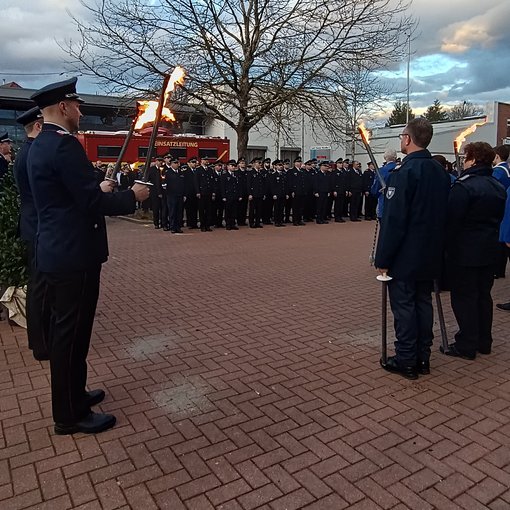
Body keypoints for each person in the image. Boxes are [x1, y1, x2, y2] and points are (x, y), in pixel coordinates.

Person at [27, 77, 150, 435]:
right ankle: (69, 415)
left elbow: (68, 196)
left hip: (60, 249)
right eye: (78, 106)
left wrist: (95, 187)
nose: (80, 113)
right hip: (73, 254)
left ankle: (75, 395)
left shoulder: (42, 143)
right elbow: (92, 203)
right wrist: (132, 196)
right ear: (63, 107)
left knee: (72, 332)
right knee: (71, 334)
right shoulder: (63, 146)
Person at [375, 118, 450, 379]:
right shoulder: (440, 171)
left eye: (401, 136)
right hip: (430, 250)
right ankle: (422, 357)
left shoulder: (404, 173)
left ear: (407, 139)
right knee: (423, 302)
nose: (401, 140)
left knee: (404, 306)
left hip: (406, 253)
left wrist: (383, 257)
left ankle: (407, 359)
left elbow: (394, 222)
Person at [442, 142, 506, 358]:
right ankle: (484, 341)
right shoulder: (496, 185)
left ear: (473, 159)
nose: (463, 161)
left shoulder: (464, 186)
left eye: (466, 157)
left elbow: (452, 220)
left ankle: (467, 344)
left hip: (465, 251)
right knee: (483, 296)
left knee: (464, 297)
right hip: (489, 249)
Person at [12, 107, 51, 361]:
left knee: (39, 286)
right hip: (38, 226)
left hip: (32, 224)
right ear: (38, 126)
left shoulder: (25, 151)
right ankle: (41, 344)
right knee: (40, 288)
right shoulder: (31, 153)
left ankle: (38, 340)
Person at [491, 145, 510, 279]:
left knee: (499, 242)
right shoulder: (507, 169)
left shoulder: (498, 171)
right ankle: (500, 270)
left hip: (501, 208)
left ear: (497, 156)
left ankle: (497, 270)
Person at [371, 149, 397, 224]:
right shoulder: (402, 168)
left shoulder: (381, 171)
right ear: (395, 157)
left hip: (384, 205)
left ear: (385, 158)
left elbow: (375, 190)